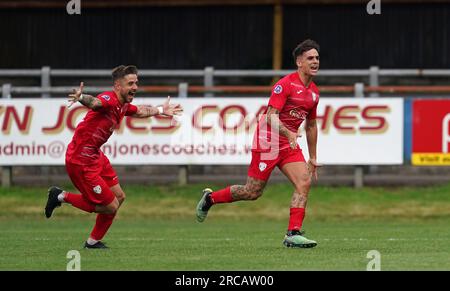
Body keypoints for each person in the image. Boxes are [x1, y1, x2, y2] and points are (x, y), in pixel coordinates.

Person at [196, 39, 322, 248]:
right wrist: (288, 132)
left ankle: (293, 233)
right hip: (268, 142)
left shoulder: (314, 92)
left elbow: (311, 125)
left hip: (289, 144)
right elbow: (271, 117)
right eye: (310, 58)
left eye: (317, 58)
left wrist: (313, 156)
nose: (315, 61)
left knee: (304, 182)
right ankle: (210, 199)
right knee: (252, 192)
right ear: (299, 62)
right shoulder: (285, 85)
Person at [45, 65, 183, 249]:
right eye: (130, 83)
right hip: (81, 160)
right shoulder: (109, 99)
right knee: (110, 206)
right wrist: (81, 98)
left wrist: (160, 110)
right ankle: (60, 196)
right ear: (118, 86)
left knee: (119, 197)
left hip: (95, 155)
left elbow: (140, 111)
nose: (135, 87)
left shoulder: (123, 104)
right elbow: (96, 103)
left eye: (136, 83)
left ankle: (92, 242)